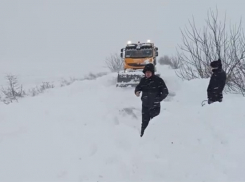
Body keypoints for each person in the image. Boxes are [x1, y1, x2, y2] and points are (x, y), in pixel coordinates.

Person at [134, 63, 169, 137]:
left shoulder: (158, 80)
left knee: (155, 124)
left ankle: (155, 139)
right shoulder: (143, 80)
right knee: (144, 123)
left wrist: (158, 99)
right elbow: (138, 87)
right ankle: (142, 138)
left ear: (152, 72)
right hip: (145, 106)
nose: (147, 74)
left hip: (155, 107)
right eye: (146, 72)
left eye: (149, 72)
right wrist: (137, 91)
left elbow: (165, 92)